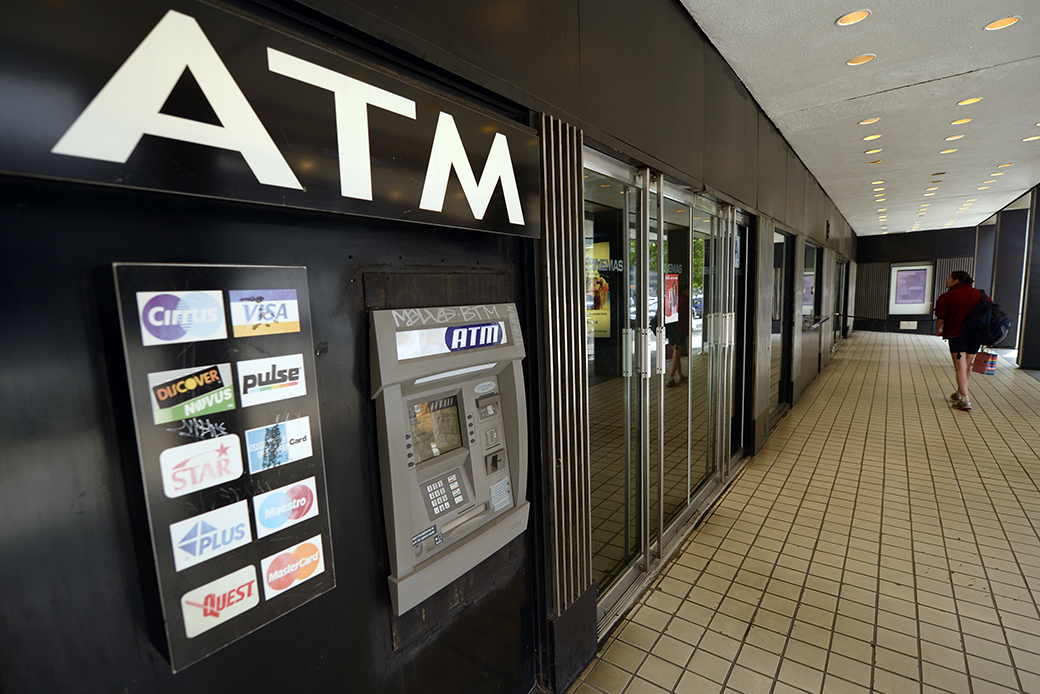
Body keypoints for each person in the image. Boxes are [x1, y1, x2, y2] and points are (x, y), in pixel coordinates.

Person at [934, 270, 984, 411]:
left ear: (956, 281)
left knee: (959, 367)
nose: (947, 280)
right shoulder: (979, 294)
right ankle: (960, 392)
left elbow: (941, 317)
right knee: (966, 366)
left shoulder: (947, 296)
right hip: (976, 335)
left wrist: (938, 330)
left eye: (949, 278)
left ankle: (965, 399)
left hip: (957, 334)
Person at [666, 286, 690, 387]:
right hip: (680, 330)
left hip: (672, 329)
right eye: (688, 289)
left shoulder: (674, 299)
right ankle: (670, 378)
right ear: (683, 290)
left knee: (676, 354)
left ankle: (680, 375)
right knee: (676, 354)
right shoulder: (685, 300)